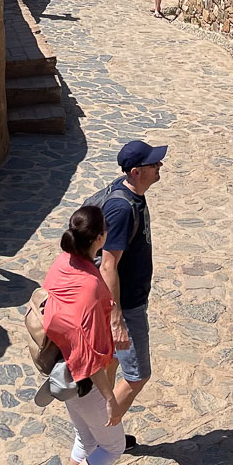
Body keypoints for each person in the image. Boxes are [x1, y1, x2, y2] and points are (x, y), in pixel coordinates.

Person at [40, 205, 125, 465]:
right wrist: (110, 397)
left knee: (85, 440)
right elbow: (88, 355)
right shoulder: (91, 286)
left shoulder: (62, 262)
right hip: (82, 380)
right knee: (114, 446)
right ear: (100, 238)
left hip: (60, 369)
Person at [98, 140, 166, 423]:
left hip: (129, 300)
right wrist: (117, 320)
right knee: (138, 375)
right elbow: (108, 265)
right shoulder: (123, 209)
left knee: (110, 363)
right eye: (154, 164)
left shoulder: (131, 192)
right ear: (136, 171)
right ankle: (102, 439)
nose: (160, 166)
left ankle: (96, 429)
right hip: (127, 306)